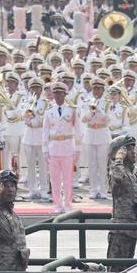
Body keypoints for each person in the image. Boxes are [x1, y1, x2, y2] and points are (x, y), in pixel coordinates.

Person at [42, 81, 80, 213]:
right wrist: (45, 150)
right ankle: (57, 204)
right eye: (56, 93)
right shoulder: (49, 111)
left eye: (60, 93)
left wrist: (78, 149)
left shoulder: (72, 110)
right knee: (55, 179)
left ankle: (68, 204)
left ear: (65, 94)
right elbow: (45, 132)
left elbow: (78, 131)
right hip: (53, 148)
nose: (58, 95)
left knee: (68, 178)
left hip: (67, 147)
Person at [107, 134, 137, 262]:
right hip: (121, 231)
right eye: (128, 149)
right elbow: (117, 179)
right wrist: (118, 160)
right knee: (116, 271)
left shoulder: (131, 172)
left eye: (133, 148)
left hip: (133, 229)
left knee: (127, 268)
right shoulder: (117, 170)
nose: (133, 152)